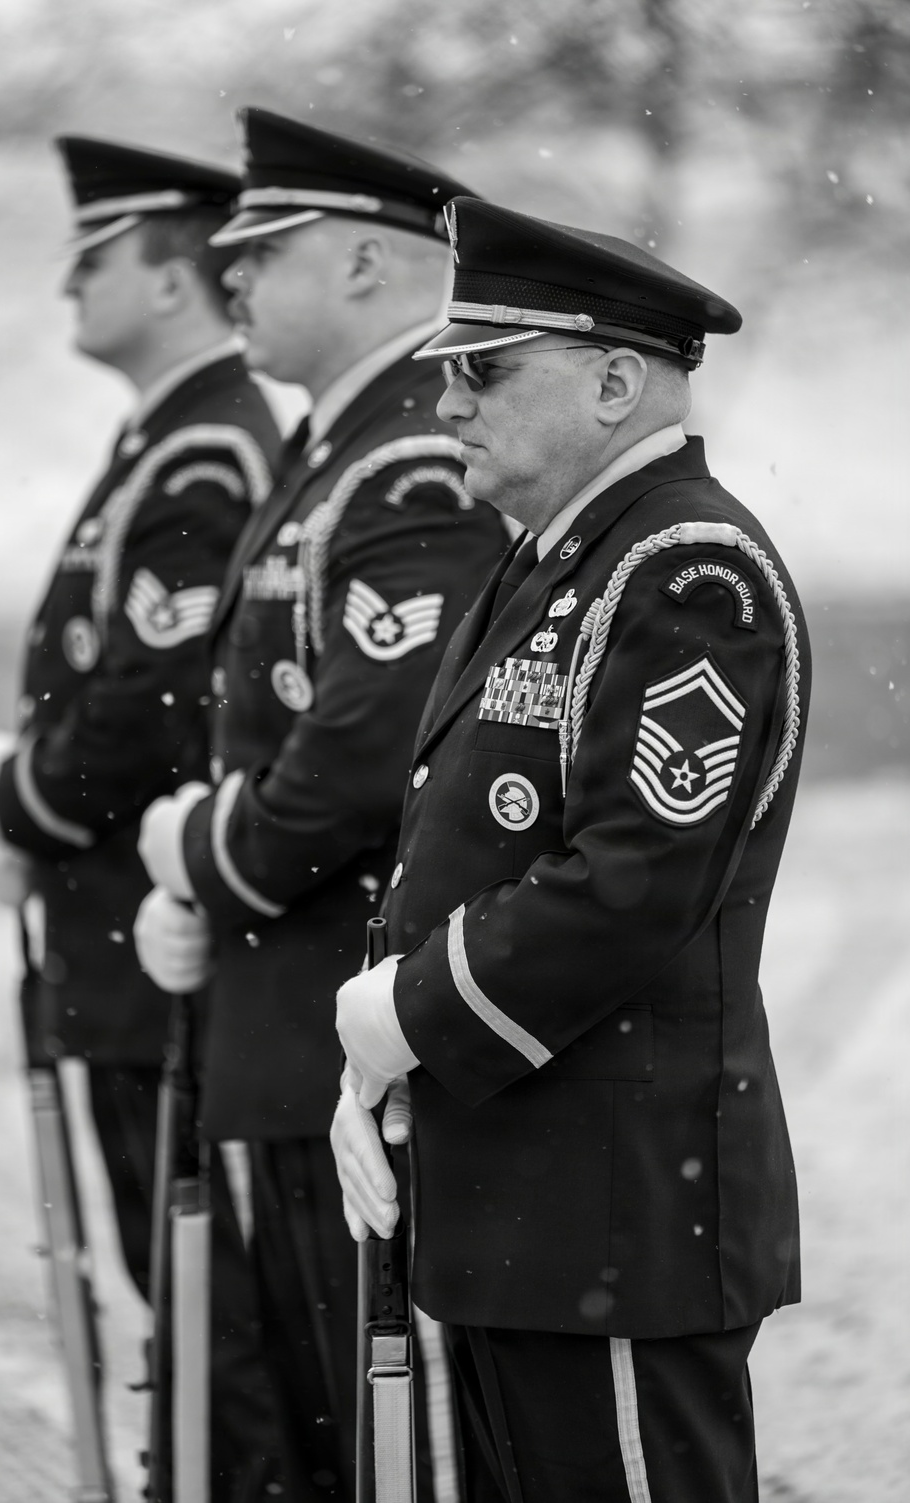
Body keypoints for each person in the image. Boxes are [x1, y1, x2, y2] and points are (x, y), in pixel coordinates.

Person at [332, 196, 809, 1503]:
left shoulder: (685, 566)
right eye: (445, 372)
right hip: (531, 1202)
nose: (450, 404)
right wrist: (388, 1050)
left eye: (483, 371)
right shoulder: (558, 558)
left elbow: (630, 886)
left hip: (617, 1206)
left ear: (613, 381)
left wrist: (410, 1010)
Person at [133, 109, 508, 1501]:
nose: (229, 276)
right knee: (304, 1426)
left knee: (372, 1446)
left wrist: (201, 859)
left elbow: (360, 759)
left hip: (344, 1026)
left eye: (262, 247)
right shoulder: (339, 442)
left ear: (364, 263)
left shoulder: (415, 452)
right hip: (287, 1023)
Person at [0, 135, 288, 1499]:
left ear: (168, 277)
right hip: (115, 944)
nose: (66, 290)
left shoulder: (208, 450)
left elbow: (147, 709)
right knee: (182, 1295)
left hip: (159, 941)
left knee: (212, 1304)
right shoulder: (167, 438)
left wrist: (16, 801)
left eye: (92, 260)